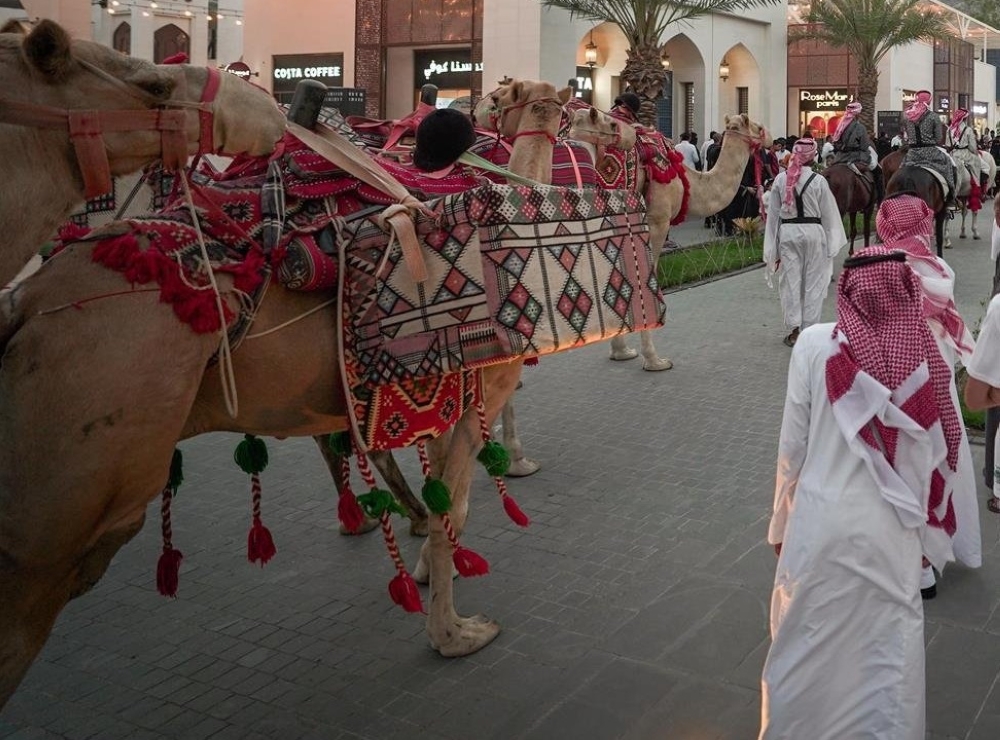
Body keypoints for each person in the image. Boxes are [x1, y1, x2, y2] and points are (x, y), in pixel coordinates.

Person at [761, 246, 964, 739]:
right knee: (887, 653)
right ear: (908, 291)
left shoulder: (812, 345)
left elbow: (792, 451)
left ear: (846, 291)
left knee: (806, 643)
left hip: (819, 524)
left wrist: (780, 525)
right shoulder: (927, 354)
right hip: (891, 532)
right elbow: (945, 453)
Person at [876, 193, 981, 595]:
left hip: (892, 376)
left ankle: (909, 561)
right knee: (938, 451)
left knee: (902, 459)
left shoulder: (876, 263)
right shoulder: (939, 267)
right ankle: (933, 552)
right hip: (934, 376)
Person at [762, 138, 847, 347]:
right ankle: (810, 330)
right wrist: (831, 241)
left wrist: (772, 247)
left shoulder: (781, 180)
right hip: (814, 234)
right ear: (813, 156)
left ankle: (794, 331)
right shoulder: (819, 181)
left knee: (791, 282)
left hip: (789, 234)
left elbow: (773, 217)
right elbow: (828, 215)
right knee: (813, 283)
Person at [901, 90, 956, 204]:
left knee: (900, 169)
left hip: (912, 154)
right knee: (948, 163)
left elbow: (907, 135)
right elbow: (938, 138)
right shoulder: (933, 116)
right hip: (930, 152)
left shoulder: (908, 117)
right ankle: (951, 195)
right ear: (929, 101)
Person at [948, 108, 983, 194]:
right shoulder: (968, 130)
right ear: (964, 118)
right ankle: (976, 184)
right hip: (964, 154)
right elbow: (972, 147)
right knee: (977, 162)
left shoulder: (949, 130)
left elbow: (948, 145)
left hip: (952, 154)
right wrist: (975, 152)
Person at [829, 101, 872, 169]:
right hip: (856, 157)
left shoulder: (840, 127)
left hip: (840, 157)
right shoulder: (860, 128)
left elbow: (836, 143)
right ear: (857, 114)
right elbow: (864, 146)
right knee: (873, 165)